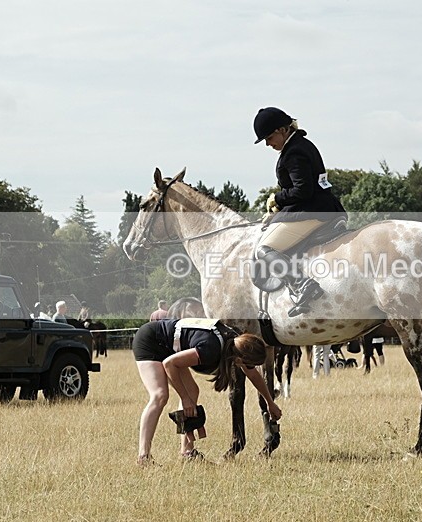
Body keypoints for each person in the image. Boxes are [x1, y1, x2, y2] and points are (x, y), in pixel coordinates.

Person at [133, 317, 282, 464]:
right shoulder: (210, 349)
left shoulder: (237, 343)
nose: (248, 367)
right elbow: (169, 363)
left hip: (171, 346)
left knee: (192, 391)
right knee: (160, 395)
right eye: (249, 363)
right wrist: (184, 399)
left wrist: (270, 403)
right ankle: (143, 457)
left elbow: (253, 374)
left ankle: (187, 453)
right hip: (151, 340)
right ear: (240, 359)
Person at [253, 106, 347, 317]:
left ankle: (302, 283)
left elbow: (303, 191)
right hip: (325, 208)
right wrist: (278, 209)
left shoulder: (294, 151)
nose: (268, 144)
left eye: (269, 137)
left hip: (313, 212)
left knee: (264, 248)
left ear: (283, 129)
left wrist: (276, 198)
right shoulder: (303, 144)